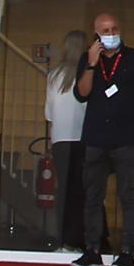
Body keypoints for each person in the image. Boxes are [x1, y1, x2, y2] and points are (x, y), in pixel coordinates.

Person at [70, 13, 134, 266]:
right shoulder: (88, 59)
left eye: (114, 29)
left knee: (128, 195)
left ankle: (127, 251)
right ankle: (92, 250)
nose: (110, 34)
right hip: (96, 137)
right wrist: (91, 63)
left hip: (127, 138)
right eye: (105, 30)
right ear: (96, 34)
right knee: (93, 196)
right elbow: (82, 94)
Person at [44, 30, 90, 250]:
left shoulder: (54, 76)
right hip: (82, 137)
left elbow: (49, 114)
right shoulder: (88, 75)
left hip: (60, 139)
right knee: (81, 191)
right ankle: (80, 239)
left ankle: (63, 239)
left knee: (63, 190)